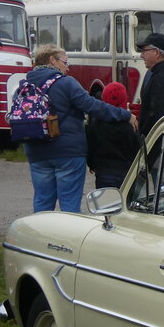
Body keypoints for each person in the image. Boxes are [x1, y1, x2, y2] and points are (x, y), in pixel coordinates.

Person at [22, 44, 136, 212]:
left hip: (36, 150)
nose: (67, 68)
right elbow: (93, 106)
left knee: (42, 201)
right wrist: (124, 114)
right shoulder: (66, 83)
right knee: (69, 203)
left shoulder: (25, 85)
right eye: (65, 62)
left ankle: (40, 235)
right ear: (52, 60)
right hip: (67, 152)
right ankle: (68, 237)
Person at [86, 81, 141, 190]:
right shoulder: (131, 124)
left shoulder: (95, 124)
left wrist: (91, 164)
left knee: (106, 202)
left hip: (104, 171)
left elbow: (90, 146)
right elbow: (137, 149)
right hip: (126, 171)